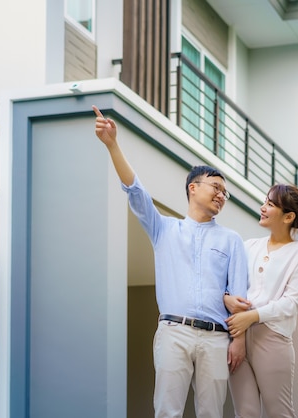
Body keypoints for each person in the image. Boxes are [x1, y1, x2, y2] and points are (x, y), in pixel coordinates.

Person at [92, 105, 248, 418]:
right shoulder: (164, 228)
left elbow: (240, 301)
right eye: (216, 187)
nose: (221, 195)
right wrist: (112, 145)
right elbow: (135, 191)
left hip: (217, 338)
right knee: (167, 411)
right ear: (193, 187)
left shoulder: (232, 240)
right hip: (173, 332)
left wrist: (239, 341)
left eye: (225, 193)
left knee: (212, 414)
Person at [224, 183, 298, 418]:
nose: (263, 208)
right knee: (245, 413)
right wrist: (227, 299)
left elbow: (292, 302)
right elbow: (226, 285)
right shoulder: (249, 246)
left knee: (279, 413)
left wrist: (252, 315)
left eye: (270, 204)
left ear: (288, 216)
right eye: (265, 202)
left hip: (272, 339)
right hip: (237, 337)